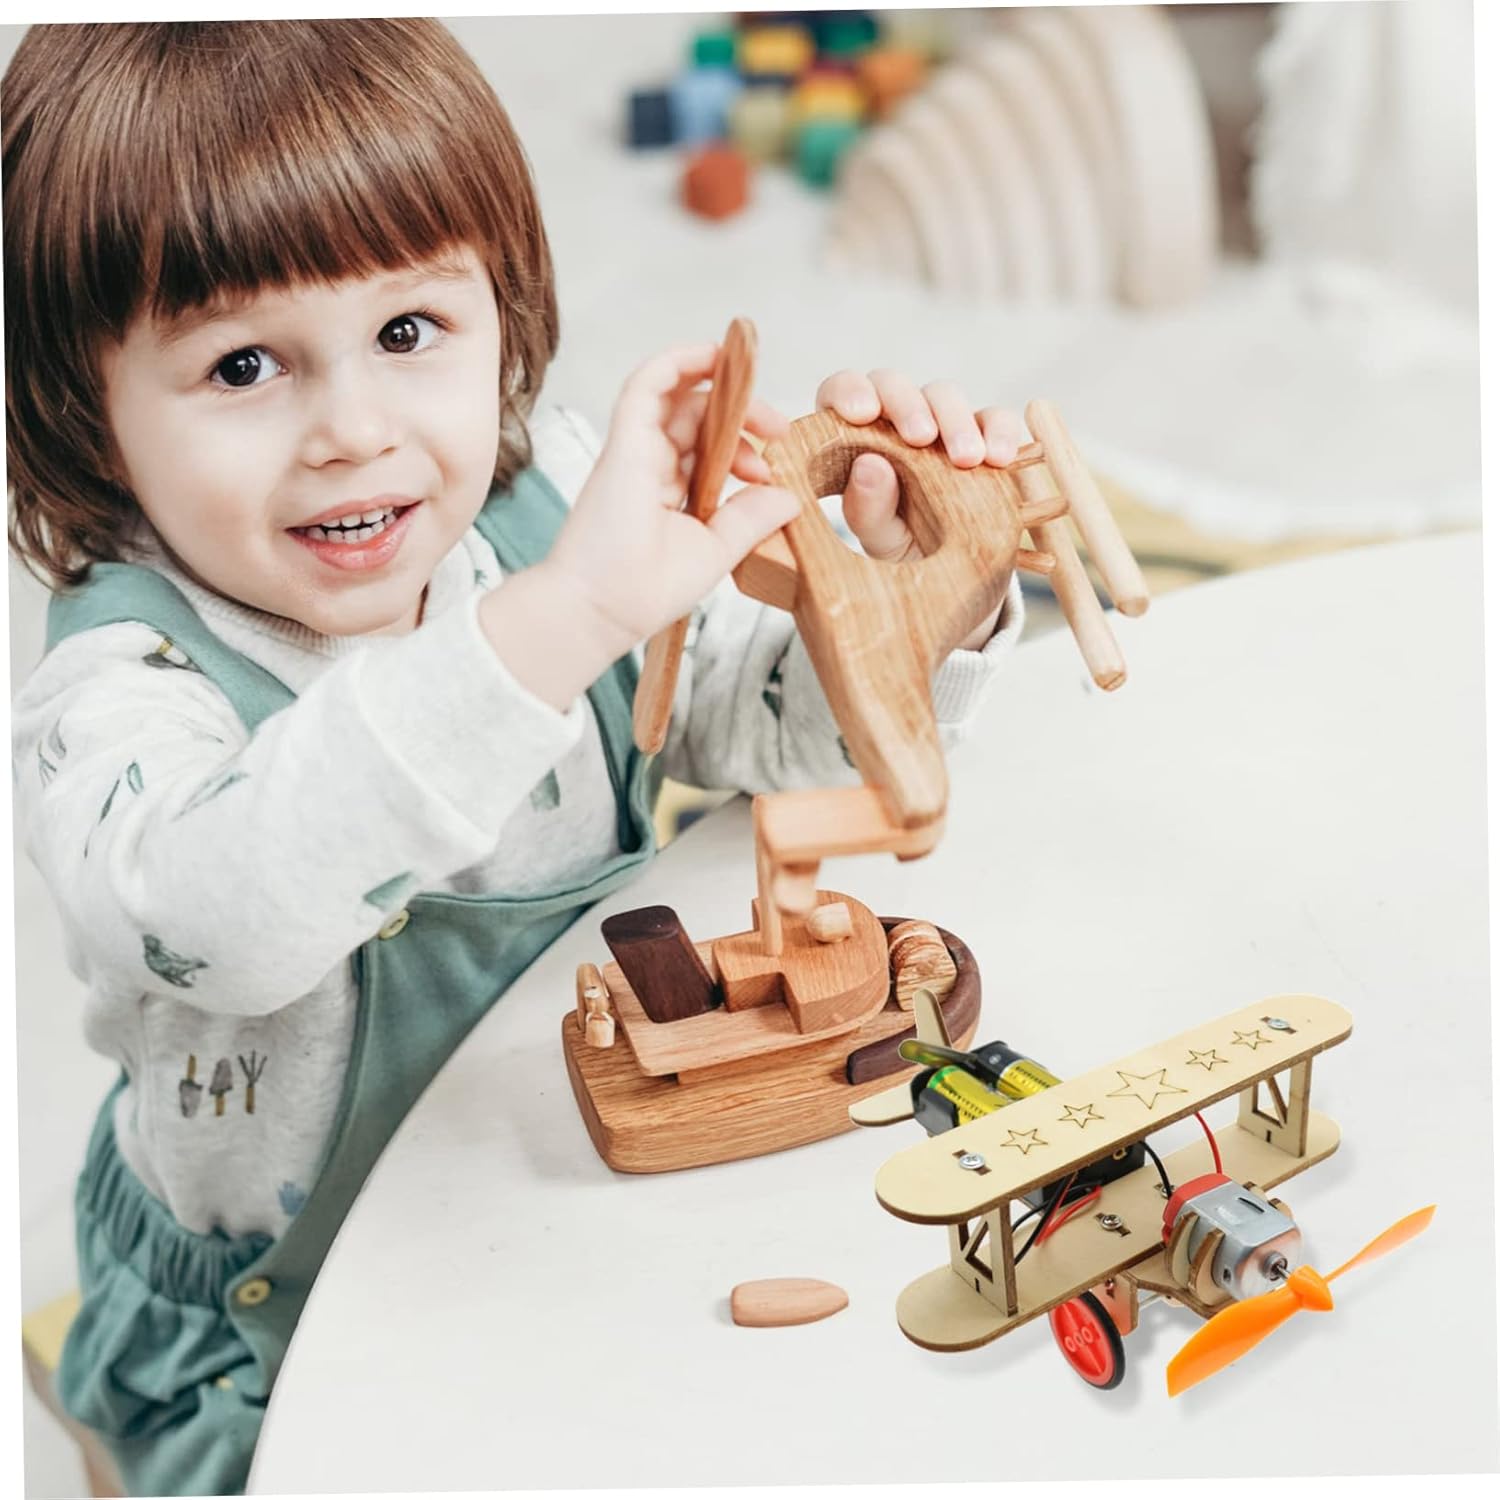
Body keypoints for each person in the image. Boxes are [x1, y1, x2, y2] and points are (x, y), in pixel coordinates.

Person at [4, 20, 1026, 1496]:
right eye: (243, 364)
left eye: (408, 332)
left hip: (574, 1183)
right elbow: (220, 916)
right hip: (282, 1322)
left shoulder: (549, 514)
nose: (354, 431)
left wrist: (928, 584)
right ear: (87, 418)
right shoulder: (118, 695)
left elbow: (775, 736)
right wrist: (567, 620)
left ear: (505, 313)